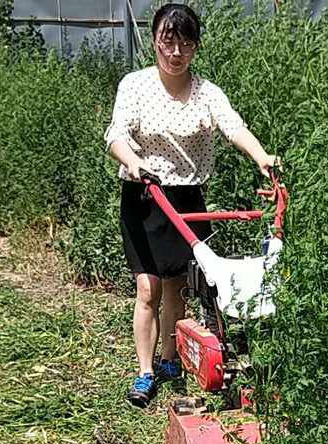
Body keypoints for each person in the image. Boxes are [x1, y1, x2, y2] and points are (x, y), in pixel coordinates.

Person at [105, 3, 277, 408]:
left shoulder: (206, 93)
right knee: (147, 288)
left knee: (179, 286)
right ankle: (145, 372)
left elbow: (234, 127)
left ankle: (170, 359)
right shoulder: (135, 85)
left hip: (186, 199)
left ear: (195, 47)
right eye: (169, 41)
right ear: (154, 42)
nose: (176, 52)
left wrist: (262, 157)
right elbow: (115, 135)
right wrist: (134, 162)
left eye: (185, 43)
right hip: (145, 194)